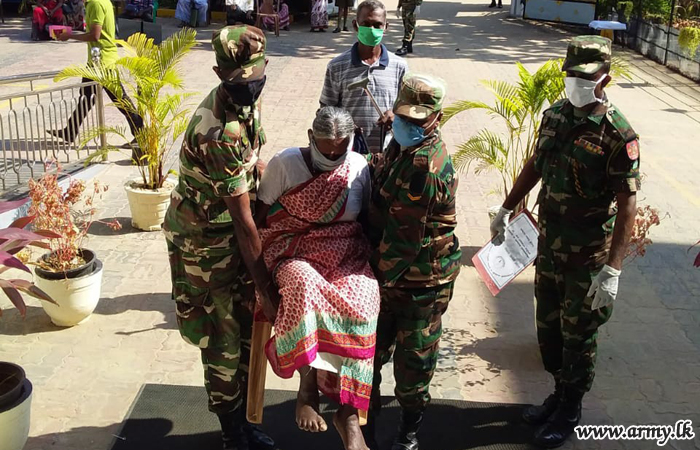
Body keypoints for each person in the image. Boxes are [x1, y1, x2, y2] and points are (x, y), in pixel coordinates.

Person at [489, 36, 640, 449]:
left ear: (604, 78)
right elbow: (536, 164)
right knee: (550, 332)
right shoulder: (555, 115)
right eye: (570, 74)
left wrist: (612, 270)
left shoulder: (618, 135)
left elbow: (627, 206)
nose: (574, 82)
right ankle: (557, 394)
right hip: (549, 246)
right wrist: (506, 207)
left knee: (579, 336)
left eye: (584, 76)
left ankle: (570, 408)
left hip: (587, 257)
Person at [163, 25, 277, 450]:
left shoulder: (248, 99)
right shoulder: (219, 131)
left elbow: (253, 158)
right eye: (238, 81)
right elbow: (245, 223)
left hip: (230, 237)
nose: (249, 88)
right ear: (218, 73)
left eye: (254, 77)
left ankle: (245, 420)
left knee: (247, 331)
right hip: (203, 247)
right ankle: (232, 434)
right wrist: (268, 287)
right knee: (222, 340)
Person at [255, 106, 380, 450]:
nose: (333, 157)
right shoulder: (285, 164)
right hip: (292, 248)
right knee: (304, 285)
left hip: (344, 250)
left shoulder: (358, 167)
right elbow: (261, 218)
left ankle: (349, 412)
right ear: (311, 139)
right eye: (325, 151)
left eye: (339, 150)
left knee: (365, 299)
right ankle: (307, 388)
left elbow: (365, 220)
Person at [364, 73, 461, 450]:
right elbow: (385, 173)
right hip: (390, 273)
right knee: (369, 356)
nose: (410, 125)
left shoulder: (425, 165)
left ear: (436, 118)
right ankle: (365, 425)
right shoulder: (402, 147)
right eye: (404, 117)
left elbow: (403, 243)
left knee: (412, 364)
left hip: (419, 281)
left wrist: (366, 279)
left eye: (419, 120)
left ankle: (408, 433)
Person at [52, 0, 144, 147]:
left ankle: (141, 133)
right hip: (96, 60)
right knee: (87, 98)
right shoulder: (99, 2)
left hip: (103, 62)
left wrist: (70, 36)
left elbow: (95, 35)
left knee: (120, 99)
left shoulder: (95, 3)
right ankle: (70, 131)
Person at [320, 0, 407, 153]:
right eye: (365, 24)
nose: (371, 29)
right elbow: (325, 110)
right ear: (355, 25)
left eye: (377, 25)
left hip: (388, 154)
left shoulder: (399, 66)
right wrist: (341, 125)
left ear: (385, 27)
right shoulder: (337, 66)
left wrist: (396, 117)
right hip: (348, 153)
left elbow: (408, 108)